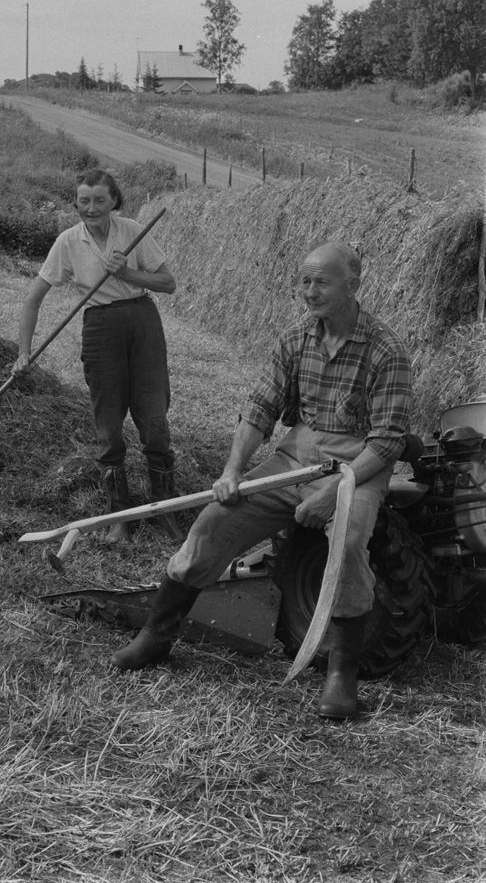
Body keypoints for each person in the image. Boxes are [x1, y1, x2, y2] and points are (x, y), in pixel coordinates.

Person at [111, 241, 413, 719]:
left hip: (359, 464)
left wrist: (334, 493)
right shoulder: (295, 337)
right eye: (304, 281)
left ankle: (340, 675)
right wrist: (232, 471)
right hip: (297, 453)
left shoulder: (385, 348)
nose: (309, 292)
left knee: (350, 541)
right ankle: (155, 637)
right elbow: (260, 410)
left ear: (353, 286)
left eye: (321, 282)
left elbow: (389, 442)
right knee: (214, 520)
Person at [13, 168, 182, 543]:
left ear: (114, 202)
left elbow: (168, 283)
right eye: (84, 201)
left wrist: (128, 273)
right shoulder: (68, 243)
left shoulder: (132, 230)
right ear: (76, 203)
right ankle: (119, 513)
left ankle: (164, 507)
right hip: (100, 328)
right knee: (108, 422)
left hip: (142, 323)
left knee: (154, 417)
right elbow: (34, 297)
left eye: (99, 200)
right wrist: (23, 352)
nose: (90, 208)